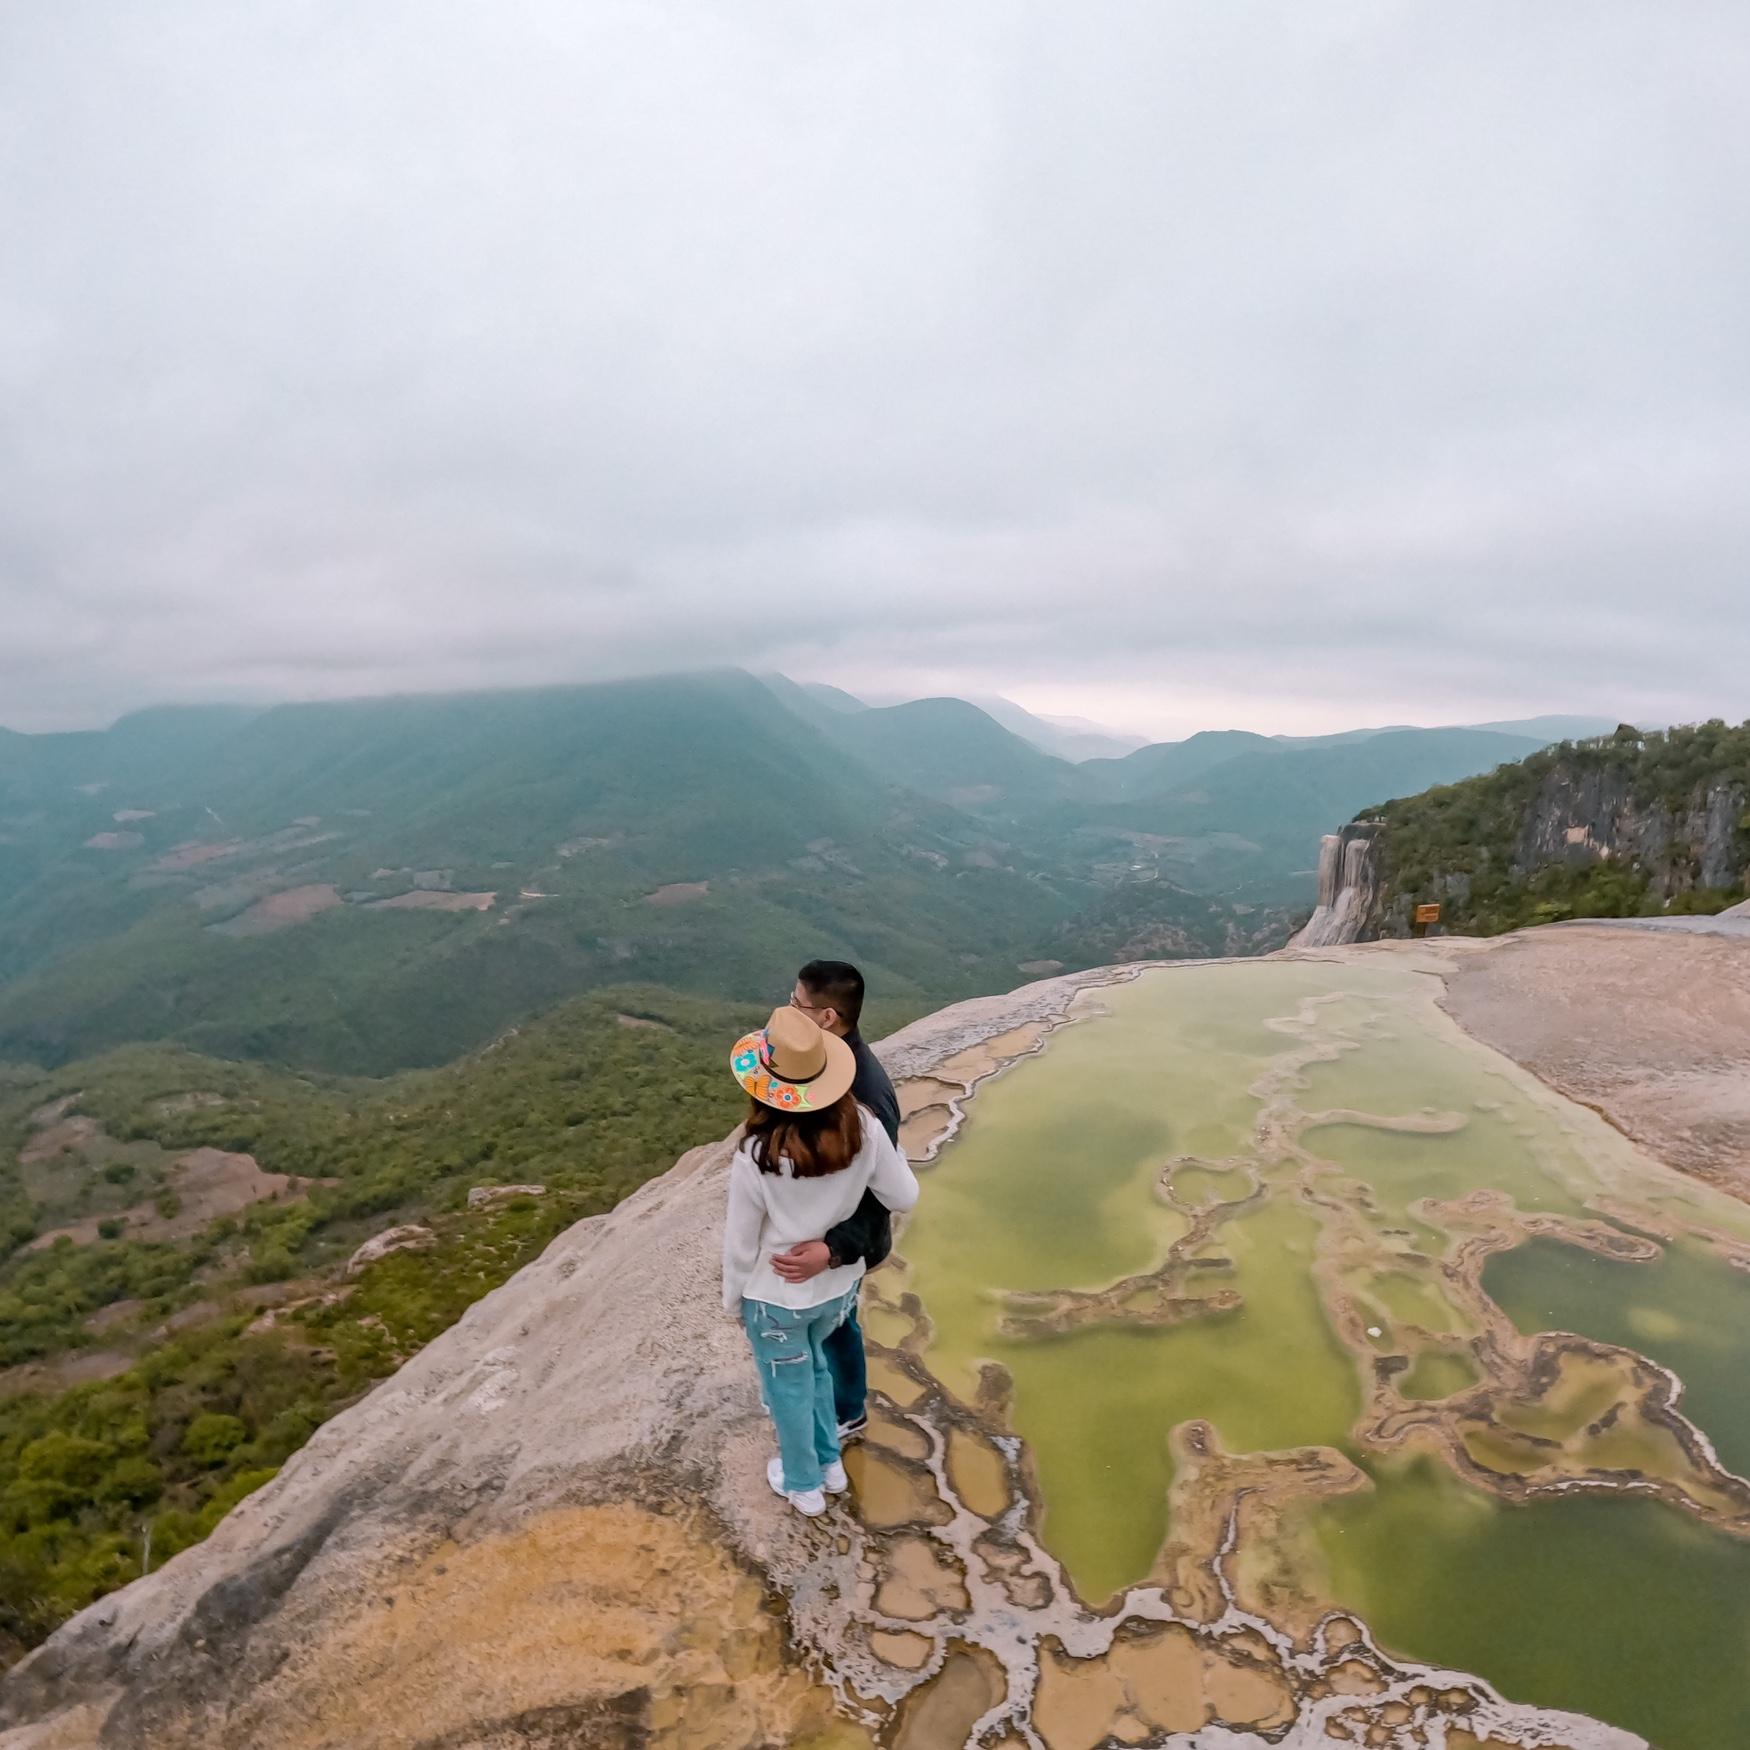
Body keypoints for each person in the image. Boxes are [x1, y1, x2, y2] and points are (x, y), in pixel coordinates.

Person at [723, 1004, 919, 1517]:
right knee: (819, 1372)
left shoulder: (757, 1154)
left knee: (789, 1385)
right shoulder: (864, 1127)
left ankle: (802, 1483)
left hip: (776, 1297)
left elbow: (741, 1244)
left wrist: (732, 1301)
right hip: (836, 1288)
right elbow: (904, 1196)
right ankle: (830, 1464)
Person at [768, 960, 900, 1443]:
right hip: (818, 1228)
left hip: (842, 1239)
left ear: (826, 1018)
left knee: (839, 1320)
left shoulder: (865, 1094)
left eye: (796, 1003)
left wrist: (835, 1248)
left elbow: (886, 1188)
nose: (787, 1010)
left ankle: (848, 1410)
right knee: (826, 1318)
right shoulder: (825, 1061)